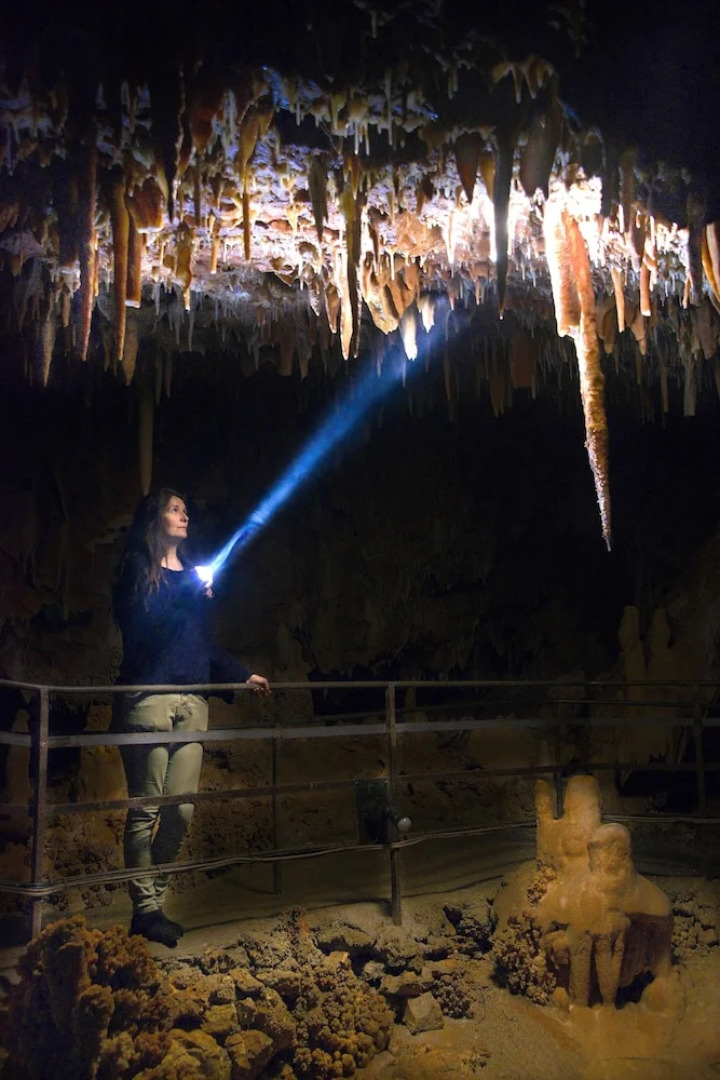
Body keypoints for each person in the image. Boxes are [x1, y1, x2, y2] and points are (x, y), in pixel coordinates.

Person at [112, 488, 270, 946]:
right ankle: (146, 910)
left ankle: (151, 902)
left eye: (185, 510)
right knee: (145, 809)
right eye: (175, 509)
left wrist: (241, 674)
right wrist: (188, 592)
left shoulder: (190, 579)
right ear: (154, 519)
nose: (185, 516)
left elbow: (197, 643)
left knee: (180, 810)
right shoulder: (137, 570)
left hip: (193, 701)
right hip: (150, 697)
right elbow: (145, 627)